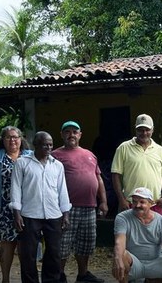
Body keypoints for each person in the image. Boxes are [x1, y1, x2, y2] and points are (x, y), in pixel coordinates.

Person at [11, 131, 71, 283]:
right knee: (28, 254)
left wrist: (66, 213)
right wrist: (17, 213)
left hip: (53, 214)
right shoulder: (22, 163)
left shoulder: (57, 165)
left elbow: (62, 190)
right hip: (29, 215)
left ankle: (51, 280)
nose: (49, 147)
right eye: (45, 144)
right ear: (36, 145)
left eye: (51, 144)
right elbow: (16, 189)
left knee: (54, 252)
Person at [52, 121, 108, 283]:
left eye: (74, 132)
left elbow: (98, 178)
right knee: (63, 244)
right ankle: (59, 275)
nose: (71, 135)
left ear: (80, 135)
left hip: (90, 207)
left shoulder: (90, 154)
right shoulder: (55, 155)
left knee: (86, 243)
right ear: (62, 135)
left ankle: (82, 275)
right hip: (66, 208)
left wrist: (103, 201)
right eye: (67, 132)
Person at [0, 126, 32, 283]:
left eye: (15, 137)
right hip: (4, 208)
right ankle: (5, 279)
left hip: (28, 208)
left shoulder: (30, 156)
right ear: (2, 140)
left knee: (26, 247)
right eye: (8, 137)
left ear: (21, 138)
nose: (12, 140)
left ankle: (28, 278)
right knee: (7, 245)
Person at [112, 187, 162, 283]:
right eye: (134, 201)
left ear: (151, 204)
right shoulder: (122, 217)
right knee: (120, 254)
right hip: (134, 263)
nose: (137, 205)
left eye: (142, 202)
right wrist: (117, 259)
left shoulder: (161, 221)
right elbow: (119, 242)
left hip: (155, 262)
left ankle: (151, 280)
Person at [112, 114, 162, 214]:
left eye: (147, 130)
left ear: (152, 130)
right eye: (141, 130)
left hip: (154, 204)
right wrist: (121, 199)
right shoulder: (123, 148)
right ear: (135, 129)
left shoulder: (160, 151)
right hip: (131, 204)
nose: (144, 133)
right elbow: (115, 175)